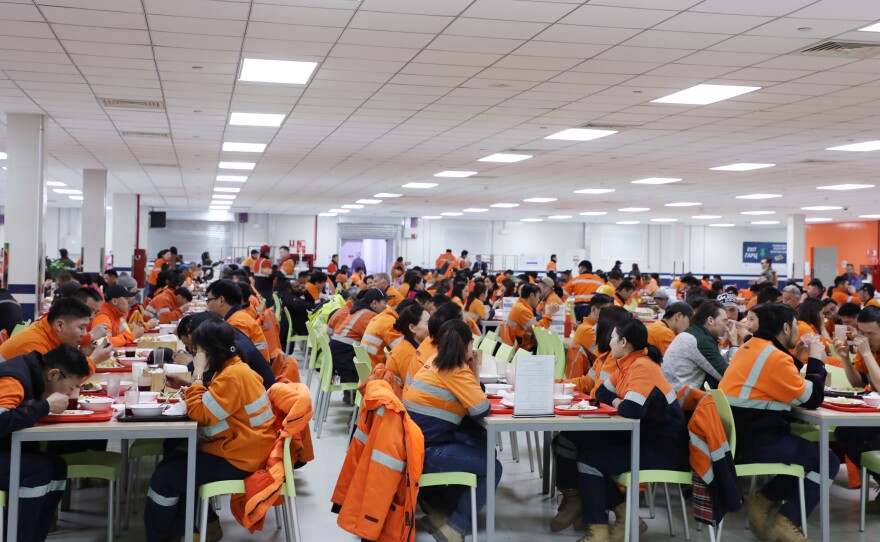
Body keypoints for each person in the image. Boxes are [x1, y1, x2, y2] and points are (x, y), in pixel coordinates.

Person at [551, 318, 688, 541]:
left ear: (624, 342)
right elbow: (601, 394)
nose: (609, 342)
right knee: (567, 441)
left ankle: (599, 530)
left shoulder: (642, 367)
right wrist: (618, 401)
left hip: (662, 448)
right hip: (638, 437)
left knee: (589, 460)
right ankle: (605, 509)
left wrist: (616, 402)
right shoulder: (626, 364)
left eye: (613, 338)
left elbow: (631, 409)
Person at [145, 320, 276, 542]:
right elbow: (217, 402)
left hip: (240, 457)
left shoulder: (233, 376)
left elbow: (201, 413)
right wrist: (188, 387)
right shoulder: (232, 369)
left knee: (164, 479)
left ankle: (161, 537)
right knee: (171, 462)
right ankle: (182, 533)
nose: (194, 354)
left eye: (197, 350)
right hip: (242, 447)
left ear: (209, 350)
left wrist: (196, 372)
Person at [720, 303, 836, 542]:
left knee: (807, 454)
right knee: (826, 460)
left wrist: (797, 358)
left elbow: (774, 376)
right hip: (756, 441)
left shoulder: (750, 347)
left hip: (737, 439)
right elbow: (812, 398)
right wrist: (816, 360)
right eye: (795, 324)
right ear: (785, 327)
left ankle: (762, 499)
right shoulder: (774, 356)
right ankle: (789, 520)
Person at [403, 319, 499, 542]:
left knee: (481, 449)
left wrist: (470, 371)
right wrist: (474, 369)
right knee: (493, 466)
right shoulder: (456, 371)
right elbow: (481, 408)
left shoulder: (433, 361)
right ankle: (456, 527)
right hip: (430, 451)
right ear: (468, 345)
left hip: (416, 445)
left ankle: (442, 513)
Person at [0, 344, 90, 542]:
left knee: (57, 466)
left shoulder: (36, 375)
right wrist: (46, 406)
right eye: (71, 388)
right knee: (37, 470)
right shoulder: (14, 379)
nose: (70, 394)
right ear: (54, 374)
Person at [0, 298, 113, 371]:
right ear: (60, 325)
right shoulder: (35, 343)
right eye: (82, 328)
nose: (85, 334)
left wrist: (83, 355)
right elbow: (53, 387)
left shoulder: (49, 331)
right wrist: (93, 361)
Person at [171, 313, 275, 391]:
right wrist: (188, 384)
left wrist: (194, 366)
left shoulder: (233, 357)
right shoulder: (227, 340)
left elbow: (198, 409)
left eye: (195, 345)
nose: (193, 351)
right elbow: (214, 384)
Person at [662, 300, 740, 393]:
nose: (726, 326)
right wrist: (734, 343)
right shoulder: (701, 341)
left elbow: (717, 362)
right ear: (710, 320)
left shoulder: (694, 333)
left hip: (671, 393)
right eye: (724, 321)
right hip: (681, 400)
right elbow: (729, 376)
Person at [329, 288, 390, 384]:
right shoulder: (369, 316)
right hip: (343, 361)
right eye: (385, 302)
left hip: (337, 357)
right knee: (379, 372)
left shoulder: (359, 311)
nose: (387, 306)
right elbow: (381, 340)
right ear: (374, 303)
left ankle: (350, 395)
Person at [205, 280, 270, 360]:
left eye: (208, 301)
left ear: (221, 300)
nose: (207, 306)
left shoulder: (237, 323)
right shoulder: (238, 316)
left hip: (253, 370)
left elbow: (234, 358)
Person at [566, 294, 614, 381]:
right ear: (594, 309)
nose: (609, 315)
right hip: (587, 380)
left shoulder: (586, 327)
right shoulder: (588, 330)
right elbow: (604, 356)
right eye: (606, 311)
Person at [91, 285, 157, 347]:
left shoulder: (117, 315)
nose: (129, 301)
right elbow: (104, 343)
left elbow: (125, 333)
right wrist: (133, 335)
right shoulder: (103, 317)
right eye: (126, 298)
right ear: (114, 301)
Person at [498, 284, 557, 352]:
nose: (539, 300)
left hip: (518, 344)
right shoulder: (523, 310)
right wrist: (549, 314)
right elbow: (538, 330)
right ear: (531, 295)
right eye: (538, 296)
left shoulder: (519, 305)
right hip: (522, 348)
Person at [361, 297, 411, 368]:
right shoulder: (391, 323)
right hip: (377, 369)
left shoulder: (381, 317)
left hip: (371, 365)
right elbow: (403, 351)